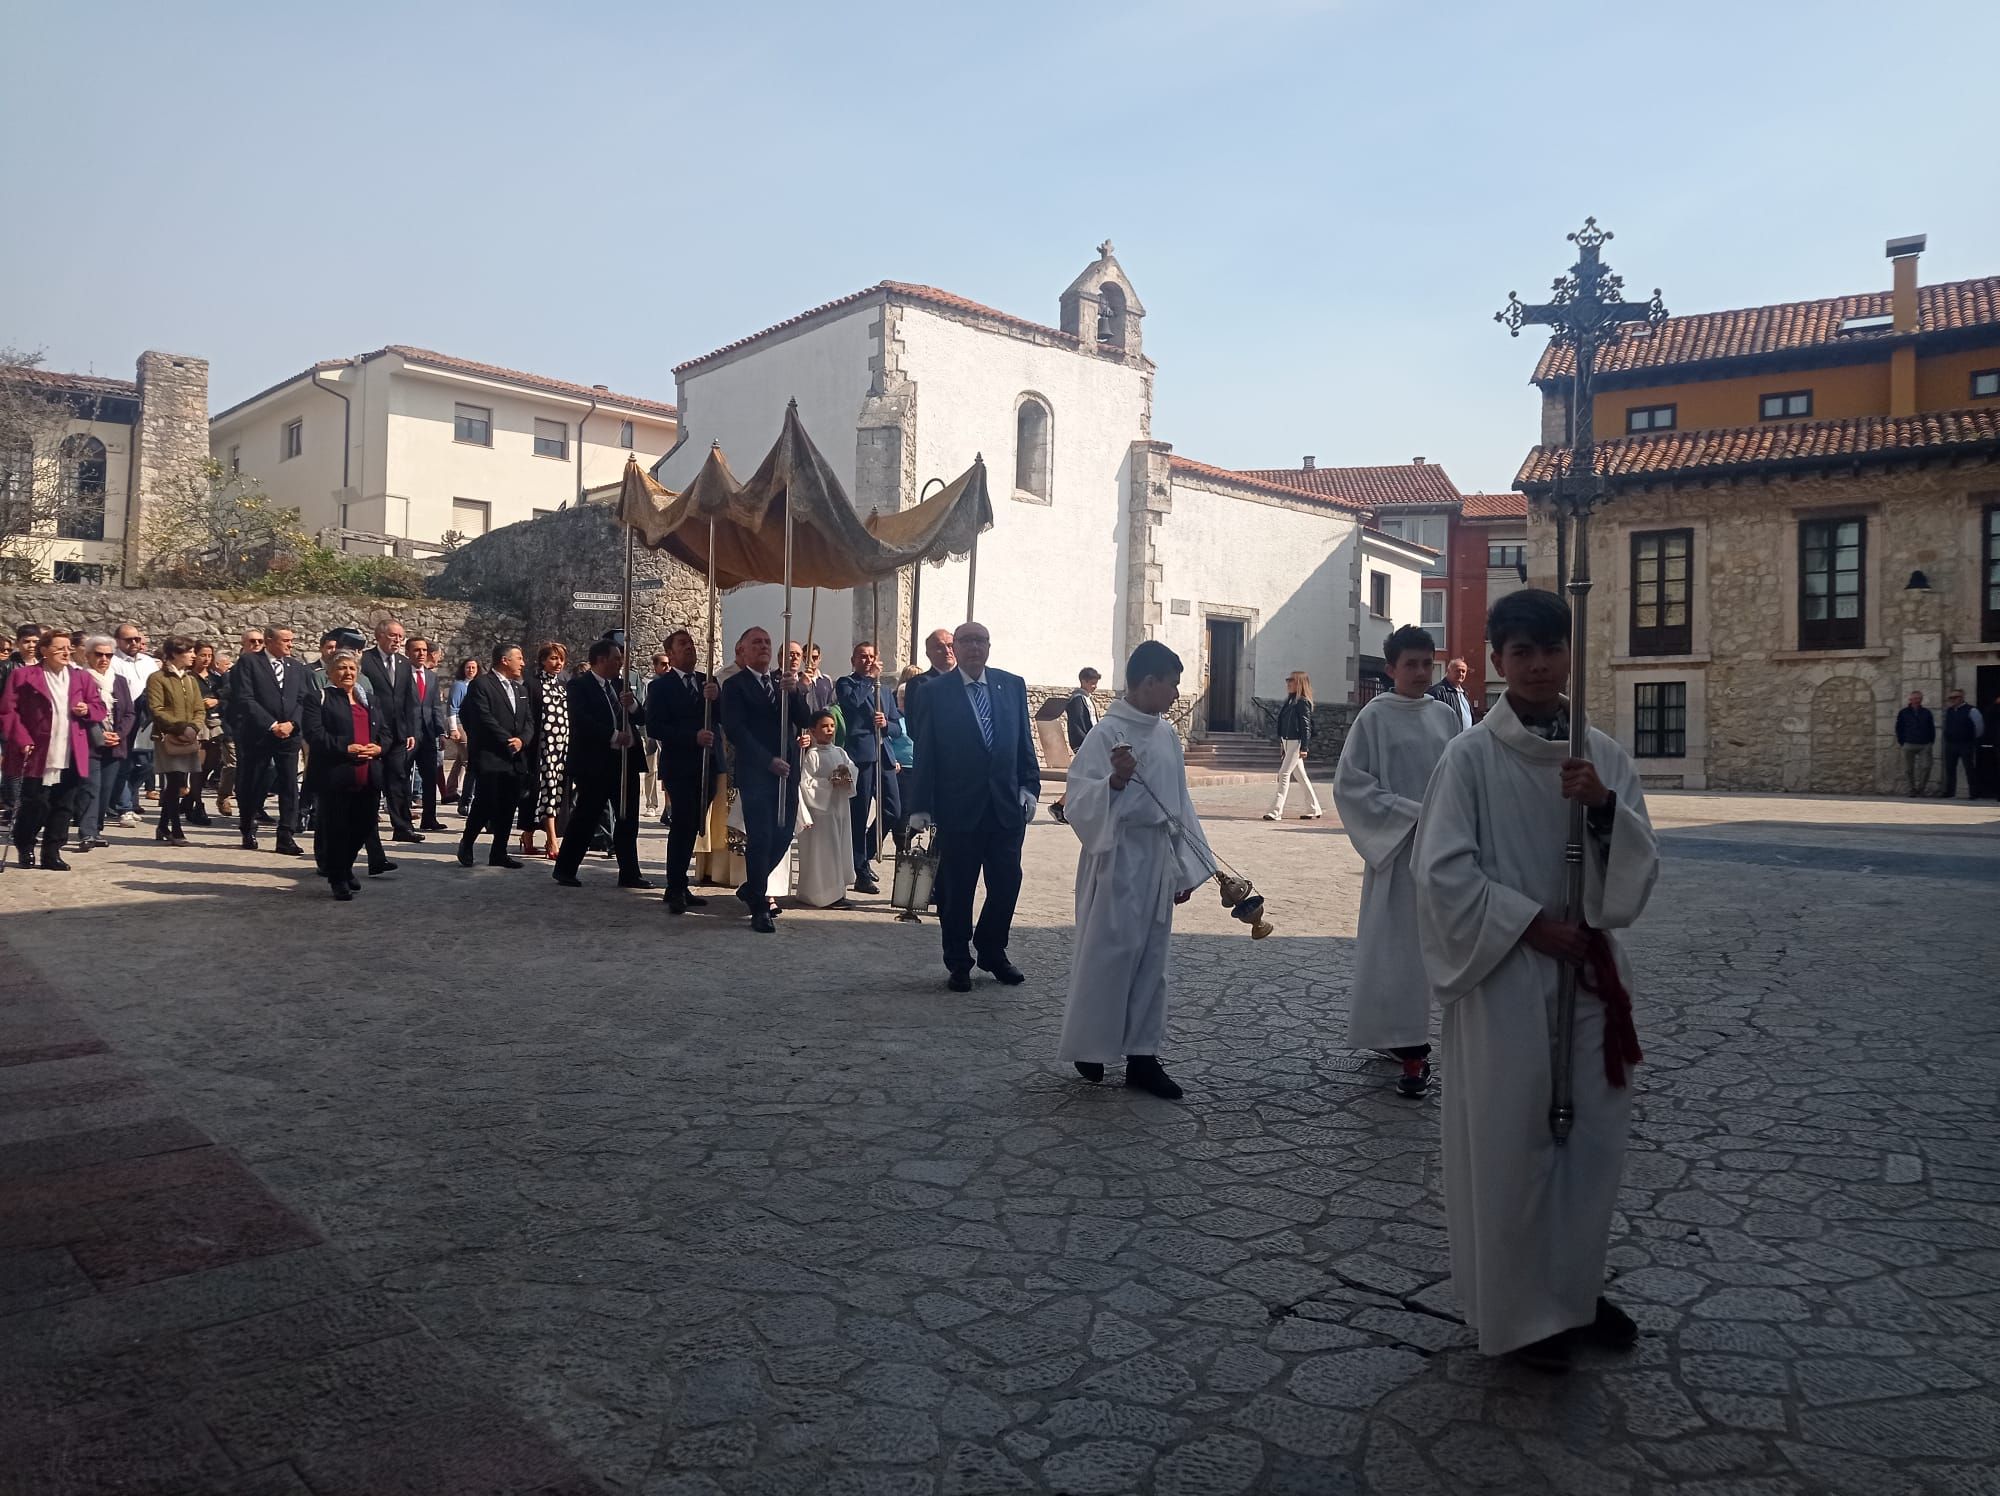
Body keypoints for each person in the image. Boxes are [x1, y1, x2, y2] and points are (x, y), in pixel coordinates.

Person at [1412, 588, 1658, 1373]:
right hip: (1507, 974)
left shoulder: (1601, 754)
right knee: (1513, 1143)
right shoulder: (1471, 758)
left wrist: (1605, 808)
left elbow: (1640, 857)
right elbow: (1442, 872)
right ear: (1498, 661)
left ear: (1569, 654)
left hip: (1585, 975)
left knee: (1588, 1140)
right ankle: (1518, 1312)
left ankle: (1574, 1291)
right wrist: (1528, 924)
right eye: (1522, 652)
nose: (1540, 664)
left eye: (1552, 648)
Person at [1056, 641, 1211, 1099]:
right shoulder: (1107, 734)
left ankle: (1142, 1056)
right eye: (1173, 684)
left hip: (1156, 857)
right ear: (1148, 682)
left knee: (1151, 960)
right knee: (1111, 953)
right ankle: (1092, 1045)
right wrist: (1116, 781)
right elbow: (1078, 801)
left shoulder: (1164, 734)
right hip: (1117, 857)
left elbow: (1179, 802)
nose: (1176, 694)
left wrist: (1183, 867)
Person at [1335, 626, 1462, 1098]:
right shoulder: (1373, 717)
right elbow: (1351, 785)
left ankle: (1413, 1038)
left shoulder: (1446, 718)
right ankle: (1408, 1046)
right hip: (1396, 847)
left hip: (1442, 849)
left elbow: (1459, 778)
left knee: (1436, 948)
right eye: (1410, 664)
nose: (1420, 672)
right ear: (1390, 669)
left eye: (1427, 663)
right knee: (1397, 952)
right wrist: (1412, 815)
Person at [906, 621, 1040, 991]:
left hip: (1005, 808)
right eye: (966, 641)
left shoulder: (1011, 685)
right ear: (956, 648)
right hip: (958, 808)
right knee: (957, 890)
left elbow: (1022, 741)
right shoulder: (934, 691)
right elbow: (926, 750)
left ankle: (992, 950)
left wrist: (1029, 786)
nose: (973, 648)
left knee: (1007, 883)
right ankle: (958, 961)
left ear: (989, 646)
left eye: (980, 641)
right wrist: (920, 805)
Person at [720, 626, 810, 933]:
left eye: (767, 642)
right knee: (761, 838)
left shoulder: (783, 682)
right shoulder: (735, 685)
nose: (763, 646)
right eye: (756, 642)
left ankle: (751, 888)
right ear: (742, 650)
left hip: (788, 773)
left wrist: (795, 691)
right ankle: (759, 906)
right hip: (758, 773)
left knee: (784, 836)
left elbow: (805, 720)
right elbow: (736, 730)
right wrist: (767, 760)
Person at [1, 629, 104, 870]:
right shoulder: (24, 676)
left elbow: (99, 708)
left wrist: (86, 710)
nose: (66, 652)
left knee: (64, 805)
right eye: (59, 648)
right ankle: (24, 845)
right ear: (44, 650)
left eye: (68, 648)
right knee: (35, 804)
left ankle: (52, 852)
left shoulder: (81, 678)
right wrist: (21, 738)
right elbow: (7, 711)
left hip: (70, 749)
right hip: (37, 750)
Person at [554, 636, 650, 889]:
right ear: (601, 659)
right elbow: (581, 720)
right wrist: (613, 735)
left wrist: (632, 706)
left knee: (628, 819)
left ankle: (629, 873)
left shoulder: (621, 685)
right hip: (595, 762)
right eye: (616, 658)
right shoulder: (579, 686)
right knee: (586, 816)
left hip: (625, 762)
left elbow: (641, 717)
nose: (621, 663)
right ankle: (565, 868)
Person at [646, 629, 721, 913]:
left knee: (693, 825)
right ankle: (674, 886)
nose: (689, 648)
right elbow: (655, 726)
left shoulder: (707, 682)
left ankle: (680, 883)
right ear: (671, 653)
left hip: (707, 764)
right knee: (682, 825)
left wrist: (717, 698)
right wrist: (691, 737)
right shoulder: (661, 687)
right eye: (682, 644)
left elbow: (722, 718)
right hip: (679, 765)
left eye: (691, 643)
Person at [302, 651, 386, 901]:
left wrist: (380, 747)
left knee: (364, 825)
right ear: (329, 673)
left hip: (368, 774)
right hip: (335, 775)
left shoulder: (369, 700)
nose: (347, 673)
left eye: (351, 668)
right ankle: (338, 878)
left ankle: (345, 866)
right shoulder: (319, 698)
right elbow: (314, 734)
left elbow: (386, 731)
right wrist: (344, 747)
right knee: (337, 828)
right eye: (341, 668)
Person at [457, 643, 536, 869]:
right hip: (491, 756)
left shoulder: (520, 689)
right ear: (504, 660)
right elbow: (482, 717)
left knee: (508, 805)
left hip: (515, 758)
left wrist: (523, 740)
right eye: (518, 658)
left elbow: (528, 720)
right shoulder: (481, 685)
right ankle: (468, 841)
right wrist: (506, 740)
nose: (523, 663)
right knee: (485, 803)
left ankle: (499, 852)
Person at [834, 641, 902, 896]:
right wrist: (868, 680)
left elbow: (897, 726)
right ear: (853, 660)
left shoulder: (885, 690)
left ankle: (865, 854)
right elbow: (852, 704)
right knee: (858, 813)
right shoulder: (846, 683)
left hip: (883, 755)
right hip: (860, 756)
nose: (867, 661)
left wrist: (885, 724)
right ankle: (859, 868)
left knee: (893, 810)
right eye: (862, 657)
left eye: (872, 657)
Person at [232, 626, 306, 856]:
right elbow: (245, 698)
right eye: (285, 640)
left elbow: (303, 699)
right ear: (269, 641)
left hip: (289, 736)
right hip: (259, 734)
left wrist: (292, 724)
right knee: (253, 781)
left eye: (291, 640)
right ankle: (248, 827)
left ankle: (286, 835)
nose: (290, 645)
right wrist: (272, 725)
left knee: (289, 785)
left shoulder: (296, 668)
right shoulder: (249, 663)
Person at [358, 619, 423, 842]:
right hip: (373, 731)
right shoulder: (365, 660)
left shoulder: (404, 663)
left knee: (398, 778)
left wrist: (411, 730)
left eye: (400, 637)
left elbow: (410, 699)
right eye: (394, 636)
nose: (398, 640)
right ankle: (367, 827)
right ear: (380, 636)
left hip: (397, 733)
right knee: (373, 779)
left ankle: (403, 827)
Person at [795, 708, 859, 907]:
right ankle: (820, 894)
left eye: (832, 726)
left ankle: (838, 892)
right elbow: (805, 783)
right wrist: (828, 782)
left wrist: (847, 775)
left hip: (839, 808)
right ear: (812, 731)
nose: (829, 730)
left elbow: (852, 770)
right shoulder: (811, 755)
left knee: (838, 849)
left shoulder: (840, 751)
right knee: (823, 852)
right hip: (821, 812)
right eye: (824, 726)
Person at [75, 636, 134, 851]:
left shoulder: (119, 681)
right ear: (88, 655)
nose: (103, 659)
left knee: (107, 789)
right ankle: (87, 832)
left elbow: (129, 712)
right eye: (98, 654)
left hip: (115, 742)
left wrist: (119, 734)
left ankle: (96, 828)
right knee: (91, 787)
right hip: (90, 743)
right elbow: (77, 713)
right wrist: (100, 735)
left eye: (108, 655)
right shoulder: (79, 678)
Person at [145, 637, 205, 847]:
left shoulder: (190, 679)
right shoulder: (158, 678)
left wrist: (194, 727)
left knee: (178, 781)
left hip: (188, 737)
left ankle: (163, 825)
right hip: (167, 737)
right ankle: (175, 829)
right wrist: (180, 727)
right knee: (174, 782)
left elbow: (199, 708)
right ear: (175, 654)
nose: (193, 656)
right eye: (189, 652)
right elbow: (157, 709)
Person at [521, 643, 570, 860]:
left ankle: (528, 834)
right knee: (544, 792)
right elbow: (527, 717)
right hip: (541, 750)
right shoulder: (532, 685)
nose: (558, 663)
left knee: (554, 793)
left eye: (560, 659)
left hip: (561, 748)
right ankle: (552, 839)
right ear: (542, 661)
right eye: (552, 658)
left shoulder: (563, 684)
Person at [107, 623, 159, 822]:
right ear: (118, 642)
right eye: (129, 640)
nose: (135, 643)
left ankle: (123, 797)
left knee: (147, 764)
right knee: (125, 763)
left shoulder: (148, 661)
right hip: (124, 716)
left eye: (137, 639)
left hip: (148, 716)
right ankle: (125, 806)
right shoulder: (114, 662)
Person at [0, 624, 42, 831]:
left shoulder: (44, 666)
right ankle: (13, 808)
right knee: (13, 769)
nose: (31, 645)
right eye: (27, 641)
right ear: (18, 643)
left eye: (35, 641)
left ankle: (28, 810)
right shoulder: (8, 666)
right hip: (11, 724)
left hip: (36, 726)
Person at [1265, 671, 1323, 822]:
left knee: (1284, 774)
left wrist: (1305, 747)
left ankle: (1276, 811)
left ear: (1300, 683)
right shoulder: (1290, 701)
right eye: (1287, 680)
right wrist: (1282, 743)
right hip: (1287, 741)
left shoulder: (1302, 702)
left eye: (1291, 681)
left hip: (1296, 742)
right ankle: (1314, 808)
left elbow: (1306, 726)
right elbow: (1284, 724)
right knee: (1301, 777)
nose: (1288, 683)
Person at [407, 636, 447, 831]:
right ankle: (403, 817)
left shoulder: (431, 677)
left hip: (429, 733)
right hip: (408, 734)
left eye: (423, 650)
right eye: (416, 650)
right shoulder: (401, 675)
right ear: (408, 653)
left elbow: (435, 706)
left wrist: (441, 731)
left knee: (430, 778)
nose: (421, 654)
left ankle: (429, 818)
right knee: (403, 776)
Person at [184, 641, 226, 826]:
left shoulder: (216, 679)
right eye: (203, 655)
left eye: (209, 656)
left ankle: (188, 801)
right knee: (198, 765)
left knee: (212, 762)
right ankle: (197, 804)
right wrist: (201, 704)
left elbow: (226, 698)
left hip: (215, 724)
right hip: (197, 724)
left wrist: (217, 701)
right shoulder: (188, 677)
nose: (206, 659)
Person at [903, 628, 956, 739]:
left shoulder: (967, 681)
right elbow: (915, 727)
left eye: (950, 645)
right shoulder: (919, 684)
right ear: (928, 653)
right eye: (939, 647)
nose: (947, 651)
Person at [444, 657, 480, 808]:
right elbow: (452, 707)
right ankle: (468, 798)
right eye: (468, 667)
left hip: (471, 725)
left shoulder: (476, 685)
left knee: (460, 760)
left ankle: (450, 791)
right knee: (469, 760)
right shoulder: (459, 685)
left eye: (473, 668)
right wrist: (453, 728)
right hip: (460, 724)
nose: (470, 670)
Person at [1939, 688, 1983, 800]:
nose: (1952, 700)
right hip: (1951, 744)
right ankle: (1949, 792)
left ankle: (1974, 793)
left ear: (1961, 698)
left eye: (1954, 697)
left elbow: (1979, 728)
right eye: (1950, 698)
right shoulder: (1949, 711)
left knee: (1969, 769)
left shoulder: (1972, 710)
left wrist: (1971, 739)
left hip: (1966, 744)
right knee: (1950, 769)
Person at [1895, 690, 1935, 797]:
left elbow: (1931, 728)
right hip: (1908, 743)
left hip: (1925, 744)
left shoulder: (1927, 712)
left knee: (1926, 767)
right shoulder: (1903, 712)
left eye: (1919, 698)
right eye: (1915, 698)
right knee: (1908, 769)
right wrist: (1902, 742)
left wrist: (1931, 742)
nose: (1917, 700)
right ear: (1910, 699)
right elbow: (1899, 728)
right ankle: (1912, 790)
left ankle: (1921, 789)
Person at [1428, 656, 1476, 733]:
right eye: (1457, 671)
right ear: (1448, 671)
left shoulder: (1463, 693)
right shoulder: (1437, 692)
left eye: (1463, 671)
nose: (1461, 674)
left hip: (1465, 741)